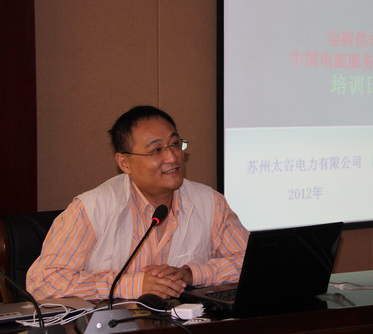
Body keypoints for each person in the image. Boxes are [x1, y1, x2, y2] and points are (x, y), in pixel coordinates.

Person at [27, 105, 249, 300]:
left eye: (175, 144)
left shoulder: (210, 203)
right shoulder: (91, 208)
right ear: (124, 162)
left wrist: (191, 274)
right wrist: (130, 285)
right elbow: (43, 281)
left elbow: (251, 263)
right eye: (156, 150)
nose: (172, 157)